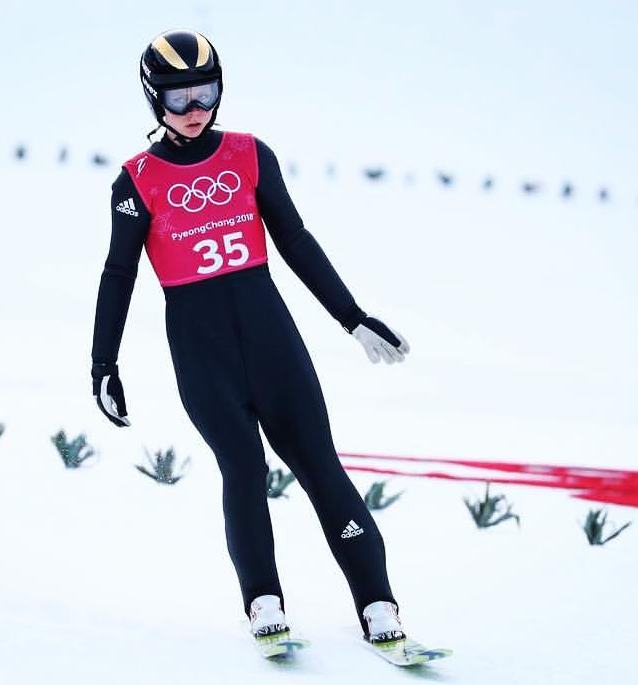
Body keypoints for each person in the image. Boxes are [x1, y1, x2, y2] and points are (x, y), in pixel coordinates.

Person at [90, 29, 413, 646]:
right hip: (201, 351)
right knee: (243, 469)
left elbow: (294, 240)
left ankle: (379, 605)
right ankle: (264, 602)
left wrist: (353, 317)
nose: (194, 110)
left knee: (321, 466)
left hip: (273, 340)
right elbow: (119, 274)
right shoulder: (136, 182)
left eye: (205, 93)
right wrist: (104, 363)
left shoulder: (249, 154)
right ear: (152, 98)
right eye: (178, 97)